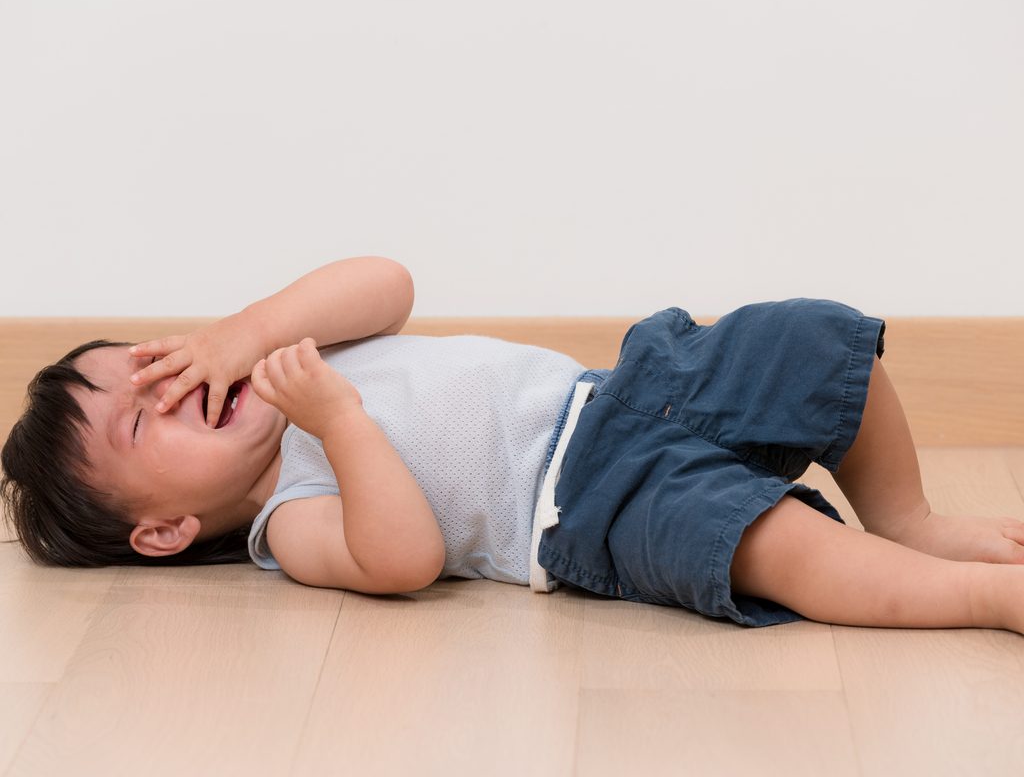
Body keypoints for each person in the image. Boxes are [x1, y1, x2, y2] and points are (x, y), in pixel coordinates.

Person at [3, 255, 1024, 635]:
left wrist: (251, 327)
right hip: (589, 508)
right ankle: (983, 598)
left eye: (160, 363)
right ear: (166, 530)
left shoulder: (291, 356)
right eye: (144, 418)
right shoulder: (289, 519)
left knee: (809, 334)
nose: (179, 387)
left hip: (625, 388)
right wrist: (342, 423)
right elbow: (397, 558)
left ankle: (911, 519)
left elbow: (386, 280)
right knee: (769, 544)